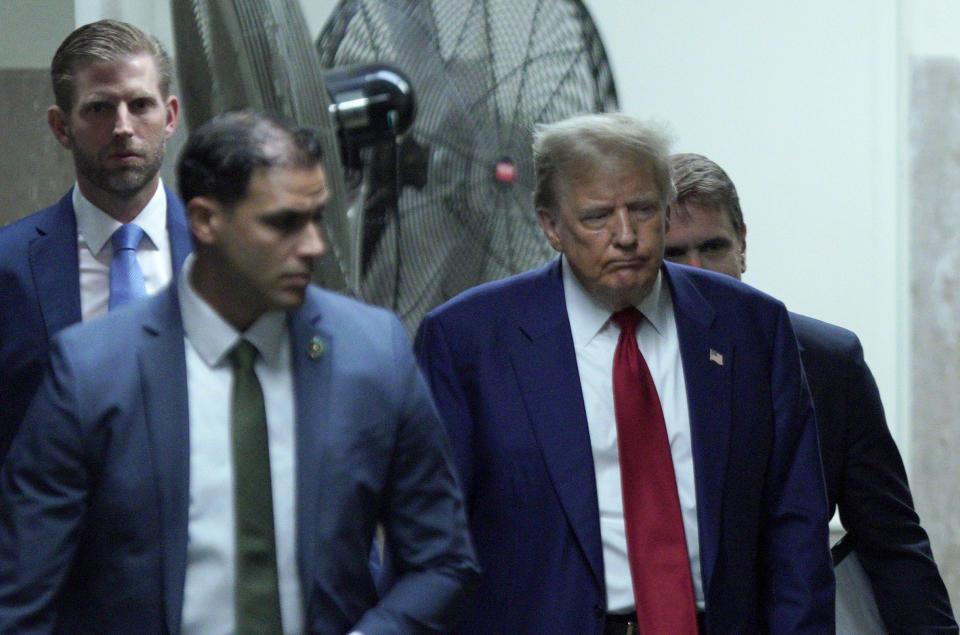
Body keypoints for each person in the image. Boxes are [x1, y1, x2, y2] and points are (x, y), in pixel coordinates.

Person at [0, 110, 479, 633]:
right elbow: (22, 593)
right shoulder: (93, 369)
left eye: (318, 216)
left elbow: (441, 560)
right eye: (283, 223)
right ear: (205, 221)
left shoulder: (372, 352)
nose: (315, 245)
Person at [414, 113, 834, 633]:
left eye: (642, 210)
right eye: (597, 217)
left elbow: (796, 524)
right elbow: (431, 540)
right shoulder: (469, 341)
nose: (626, 236)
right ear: (550, 225)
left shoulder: (749, 327)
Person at [664, 151, 958, 633]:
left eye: (713, 247)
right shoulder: (614, 367)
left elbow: (892, 541)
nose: (699, 271)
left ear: (743, 245)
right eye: (674, 255)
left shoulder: (826, 362)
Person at [0, 19, 191, 461]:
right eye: (100, 108)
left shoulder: (223, 257)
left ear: (170, 117)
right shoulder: (9, 266)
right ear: (61, 126)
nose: (123, 126)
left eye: (141, 104)